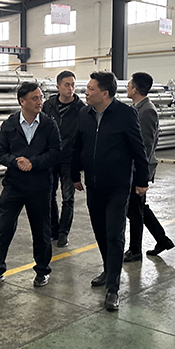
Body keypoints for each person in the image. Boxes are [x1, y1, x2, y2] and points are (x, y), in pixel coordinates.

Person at [71, 72, 149, 311]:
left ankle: (113, 288)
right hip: (93, 185)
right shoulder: (84, 114)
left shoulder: (125, 114)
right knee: (100, 231)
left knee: (115, 234)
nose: (86, 92)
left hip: (118, 186)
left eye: (91, 89)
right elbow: (78, 145)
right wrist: (74, 174)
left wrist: (142, 180)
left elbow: (138, 149)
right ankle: (108, 269)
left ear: (105, 93)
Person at [0, 82, 61, 289]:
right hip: (14, 186)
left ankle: (42, 271)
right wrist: (15, 161)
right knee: (3, 229)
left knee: (41, 231)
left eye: (41, 97)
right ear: (22, 101)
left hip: (40, 187)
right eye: (35, 98)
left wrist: (33, 162)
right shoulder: (10, 124)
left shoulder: (48, 125)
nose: (40, 102)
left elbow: (56, 153)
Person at [123, 72, 174, 261]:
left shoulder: (147, 111)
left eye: (129, 84)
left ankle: (135, 250)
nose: (127, 87)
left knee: (135, 211)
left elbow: (145, 145)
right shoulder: (137, 108)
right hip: (134, 167)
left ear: (135, 89)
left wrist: (140, 174)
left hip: (139, 169)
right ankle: (162, 240)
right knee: (138, 207)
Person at [42, 70, 85, 248]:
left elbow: (83, 137)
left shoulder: (81, 109)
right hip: (51, 158)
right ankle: (54, 229)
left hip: (69, 159)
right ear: (58, 86)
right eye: (67, 85)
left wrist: (79, 163)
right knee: (49, 195)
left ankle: (63, 233)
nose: (70, 88)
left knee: (68, 198)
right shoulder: (48, 106)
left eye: (73, 85)